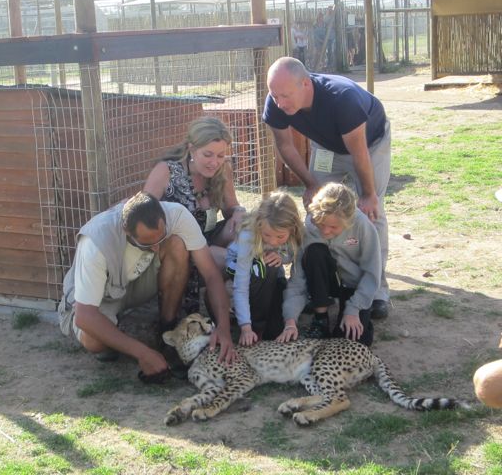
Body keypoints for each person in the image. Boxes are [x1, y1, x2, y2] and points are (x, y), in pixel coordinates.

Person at [57, 192, 236, 379]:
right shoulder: (95, 241)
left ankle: (167, 332)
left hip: (138, 280)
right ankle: (116, 345)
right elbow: (84, 317)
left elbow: (211, 274)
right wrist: (142, 353)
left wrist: (223, 328)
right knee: (93, 341)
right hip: (103, 296)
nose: (156, 248)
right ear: (126, 231)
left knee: (177, 244)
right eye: (148, 244)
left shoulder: (176, 214)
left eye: (161, 239)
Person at [264, 56, 391, 320]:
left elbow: (358, 153)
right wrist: (311, 184)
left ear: (305, 85)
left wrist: (368, 195)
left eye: (285, 96)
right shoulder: (276, 101)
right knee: (317, 208)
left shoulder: (341, 98)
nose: (279, 103)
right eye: (274, 96)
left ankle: (377, 292)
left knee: (371, 212)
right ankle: (319, 280)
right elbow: (285, 146)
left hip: (368, 144)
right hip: (326, 146)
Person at [143, 116, 246, 312]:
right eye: (208, 155)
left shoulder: (223, 170)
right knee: (234, 259)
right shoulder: (166, 171)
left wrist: (240, 213)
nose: (215, 162)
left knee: (243, 230)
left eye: (220, 155)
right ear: (191, 148)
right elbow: (143, 212)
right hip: (176, 249)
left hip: (207, 239)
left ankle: (239, 304)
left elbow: (231, 207)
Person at [283, 183, 380, 347]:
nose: (325, 231)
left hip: (353, 285)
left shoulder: (363, 226)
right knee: (314, 252)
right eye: (321, 224)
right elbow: (297, 279)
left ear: (349, 220)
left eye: (333, 227)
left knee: (351, 343)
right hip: (325, 281)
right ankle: (321, 318)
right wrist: (290, 320)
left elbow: (372, 274)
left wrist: (354, 309)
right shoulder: (310, 226)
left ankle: (351, 310)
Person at [225, 189, 304, 346]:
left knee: (275, 331)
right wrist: (246, 327)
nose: (273, 241)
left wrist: (282, 258)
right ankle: (256, 325)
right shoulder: (248, 237)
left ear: (293, 228)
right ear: (259, 224)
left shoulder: (297, 233)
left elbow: (289, 254)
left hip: (273, 278)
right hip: (247, 277)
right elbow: (241, 286)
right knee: (267, 266)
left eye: (280, 237)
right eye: (266, 235)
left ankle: (266, 323)